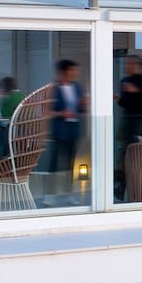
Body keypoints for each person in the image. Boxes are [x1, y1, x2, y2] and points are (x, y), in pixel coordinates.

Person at [115, 57, 142, 197]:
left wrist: (136, 91)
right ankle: (122, 187)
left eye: (129, 64)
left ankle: (141, 187)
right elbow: (126, 103)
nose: (127, 66)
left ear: (136, 65)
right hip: (128, 122)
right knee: (126, 154)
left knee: (138, 155)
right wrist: (119, 99)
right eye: (126, 64)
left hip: (140, 122)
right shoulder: (125, 80)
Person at [45, 59, 85, 192]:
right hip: (60, 130)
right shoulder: (54, 88)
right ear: (64, 71)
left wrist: (83, 105)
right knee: (55, 162)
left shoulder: (77, 87)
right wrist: (61, 113)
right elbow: (47, 111)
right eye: (72, 70)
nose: (75, 73)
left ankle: (69, 192)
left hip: (74, 129)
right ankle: (50, 193)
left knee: (71, 162)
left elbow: (81, 108)